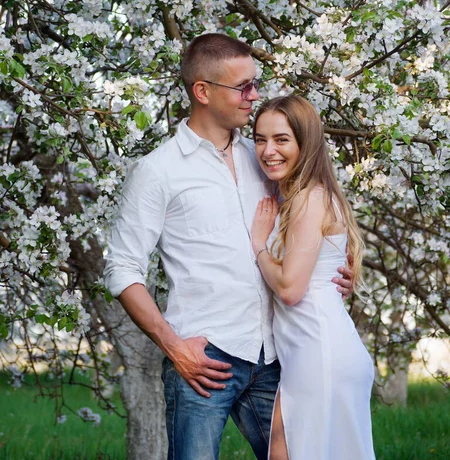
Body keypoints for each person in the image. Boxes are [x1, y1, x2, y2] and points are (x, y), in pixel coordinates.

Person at [103, 34, 353, 460]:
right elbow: (122, 269)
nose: (253, 96)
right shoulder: (158, 171)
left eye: (255, 83)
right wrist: (173, 345)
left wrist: (328, 277)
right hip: (204, 361)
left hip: (275, 353)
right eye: (243, 87)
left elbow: (305, 227)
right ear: (202, 91)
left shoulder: (265, 156)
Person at [251, 95, 376, 460]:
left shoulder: (309, 198)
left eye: (281, 139)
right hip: (313, 349)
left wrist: (259, 245)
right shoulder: (300, 197)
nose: (268, 150)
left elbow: (290, 289)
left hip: (320, 352)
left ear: (306, 143)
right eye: (260, 139)